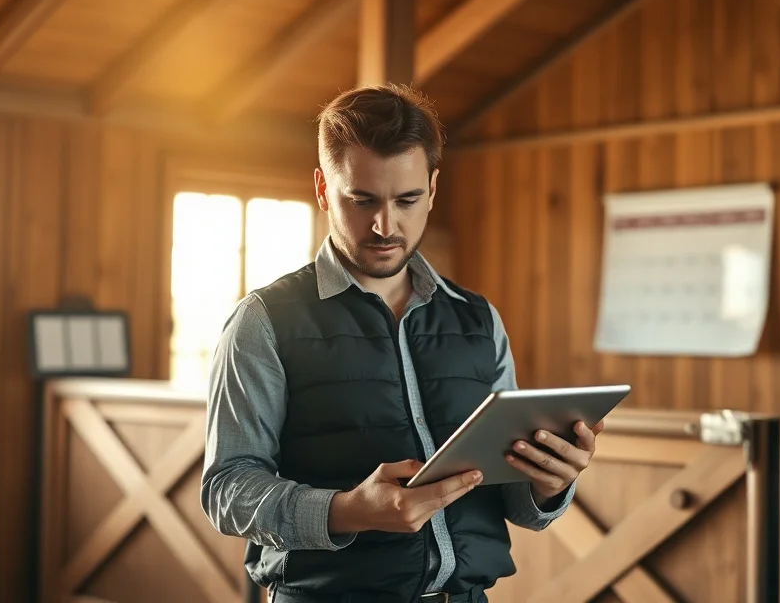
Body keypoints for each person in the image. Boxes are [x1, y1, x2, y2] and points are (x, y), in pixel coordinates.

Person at [200, 84, 606, 603]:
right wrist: (345, 509)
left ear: (433, 188)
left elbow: (516, 502)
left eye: (407, 200)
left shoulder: (478, 319)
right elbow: (226, 490)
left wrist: (550, 484)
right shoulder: (262, 322)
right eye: (361, 199)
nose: (384, 225)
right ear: (323, 189)